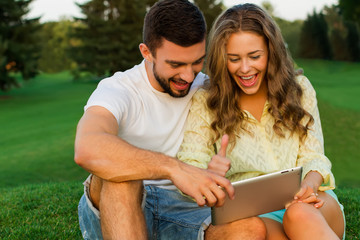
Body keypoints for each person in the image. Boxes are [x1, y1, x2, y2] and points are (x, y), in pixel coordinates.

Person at [177, 3, 346, 240]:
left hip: (311, 205)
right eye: (234, 59)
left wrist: (310, 182)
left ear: (271, 51)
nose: (245, 69)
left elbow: (314, 155)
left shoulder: (300, 90)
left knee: (298, 213)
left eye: (255, 56)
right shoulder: (207, 101)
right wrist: (206, 174)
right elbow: (189, 163)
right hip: (259, 216)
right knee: (257, 231)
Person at [74, 0, 240, 239]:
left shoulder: (206, 88)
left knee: (249, 229)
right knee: (123, 176)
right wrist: (174, 169)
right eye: (175, 64)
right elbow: (86, 147)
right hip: (122, 202)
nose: (188, 75)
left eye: (196, 62)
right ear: (147, 52)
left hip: (187, 210)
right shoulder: (118, 89)